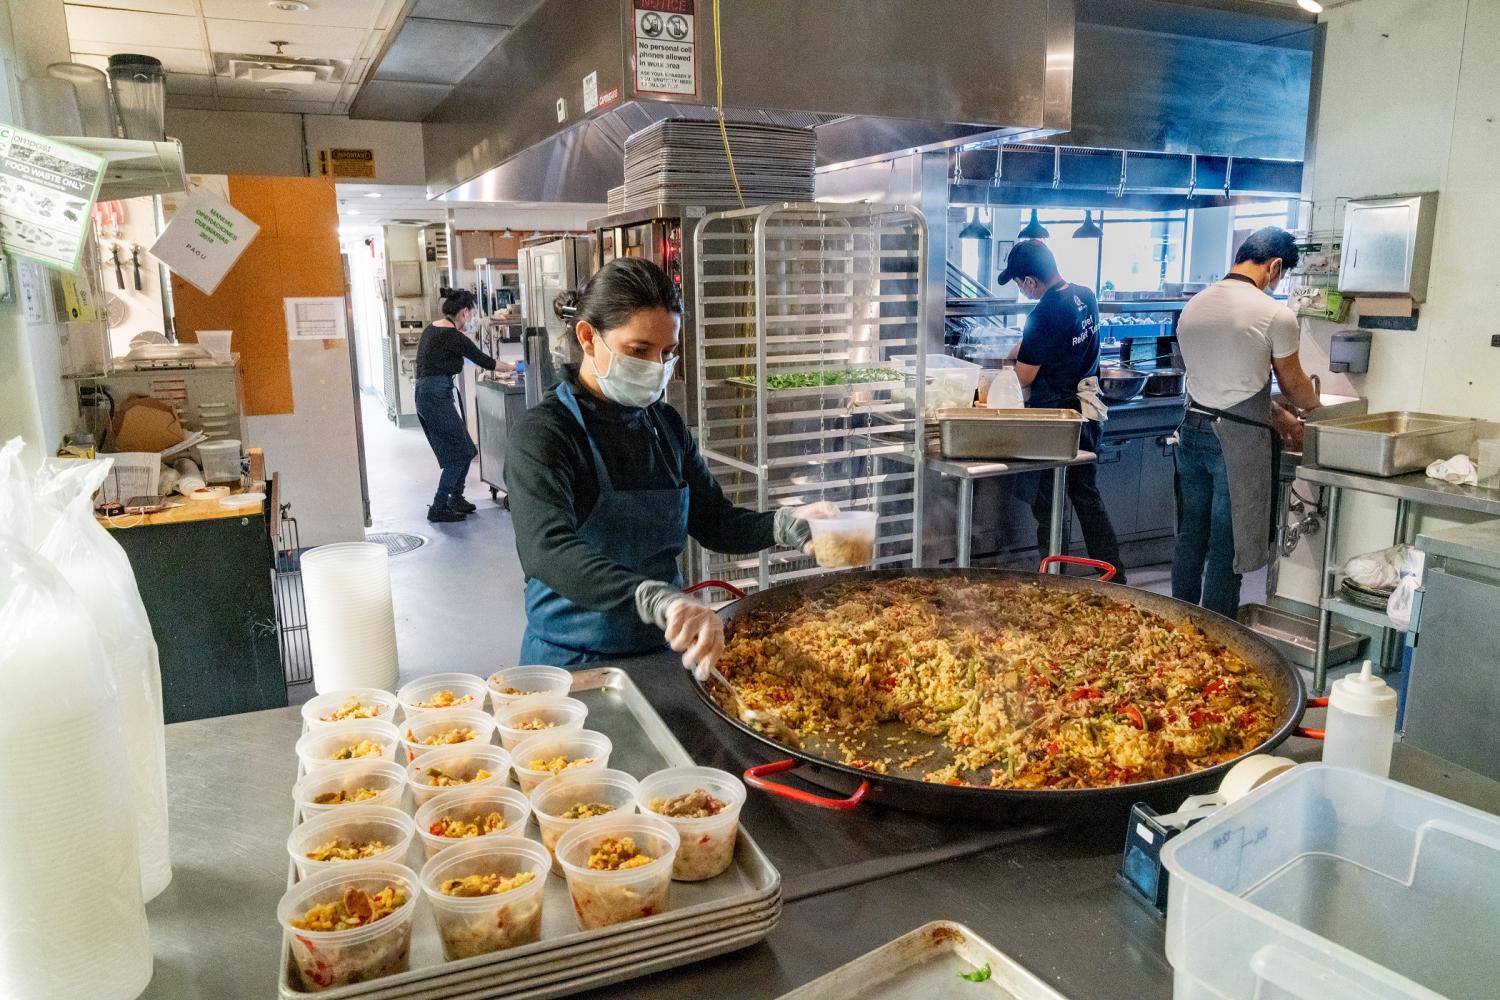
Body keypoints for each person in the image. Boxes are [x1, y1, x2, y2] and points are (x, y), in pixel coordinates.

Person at [503, 258, 828, 672]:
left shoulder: (665, 424)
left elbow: (714, 521)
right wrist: (652, 597)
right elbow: (547, 550)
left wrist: (783, 525)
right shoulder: (545, 433)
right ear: (588, 337)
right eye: (639, 351)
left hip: (664, 651)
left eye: (667, 352)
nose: (656, 367)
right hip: (573, 660)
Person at [1172, 226, 1321, 618]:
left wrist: (1279, 415)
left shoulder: (1195, 305)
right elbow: (1294, 385)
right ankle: (1218, 637)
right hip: (1236, 444)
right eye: (1283, 273)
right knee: (1228, 543)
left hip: (1192, 430)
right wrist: (1314, 408)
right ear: (1274, 266)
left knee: (1191, 536)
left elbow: (1226, 383)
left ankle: (1175, 624)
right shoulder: (1275, 314)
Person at [998, 239, 1126, 582]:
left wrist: (999, 372)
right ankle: (1115, 577)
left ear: (1029, 281)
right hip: (1086, 417)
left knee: (1050, 507)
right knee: (1087, 499)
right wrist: (1023, 345)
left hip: (1056, 421)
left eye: (1018, 283)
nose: (1021, 290)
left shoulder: (1042, 313)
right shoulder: (1084, 295)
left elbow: (1024, 378)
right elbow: (1056, 337)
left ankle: (1052, 579)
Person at [413, 290, 514, 523]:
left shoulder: (431, 330)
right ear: (464, 312)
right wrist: (513, 367)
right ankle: (439, 506)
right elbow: (485, 361)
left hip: (426, 393)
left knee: (466, 449)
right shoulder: (455, 337)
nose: (471, 320)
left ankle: (455, 498)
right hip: (436, 395)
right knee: (459, 453)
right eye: (471, 314)